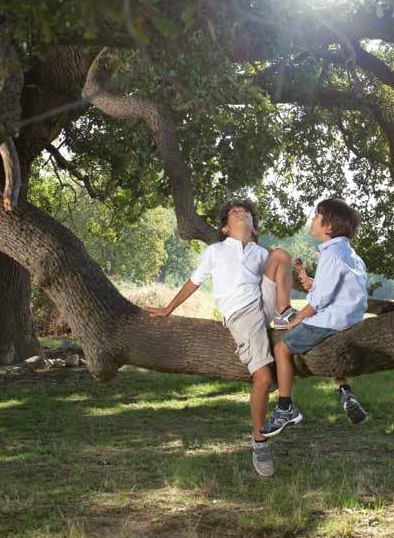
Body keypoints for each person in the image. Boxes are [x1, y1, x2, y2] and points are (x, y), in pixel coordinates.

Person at [147, 200, 298, 477]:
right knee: (264, 378)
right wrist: (169, 308)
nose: (241, 213)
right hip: (242, 314)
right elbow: (195, 281)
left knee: (281, 255)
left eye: (246, 212)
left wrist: (309, 281)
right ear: (225, 228)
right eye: (234, 212)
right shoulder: (215, 251)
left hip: (264, 304)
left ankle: (283, 314)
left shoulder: (260, 252)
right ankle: (259, 439)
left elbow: (280, 276)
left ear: (253, 226)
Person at [260, 198, 368, 438]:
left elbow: (320, 300)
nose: (312, 219)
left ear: (328, 226)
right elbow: (332, 288)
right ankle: (345, 391)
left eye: (317, 215)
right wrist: (306, 278)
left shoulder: (331, 254)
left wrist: (297, 320)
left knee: (281, 348)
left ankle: (285, 407)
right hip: (351, 318)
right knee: (326, 343)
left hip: (333, 319)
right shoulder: (349, 253)